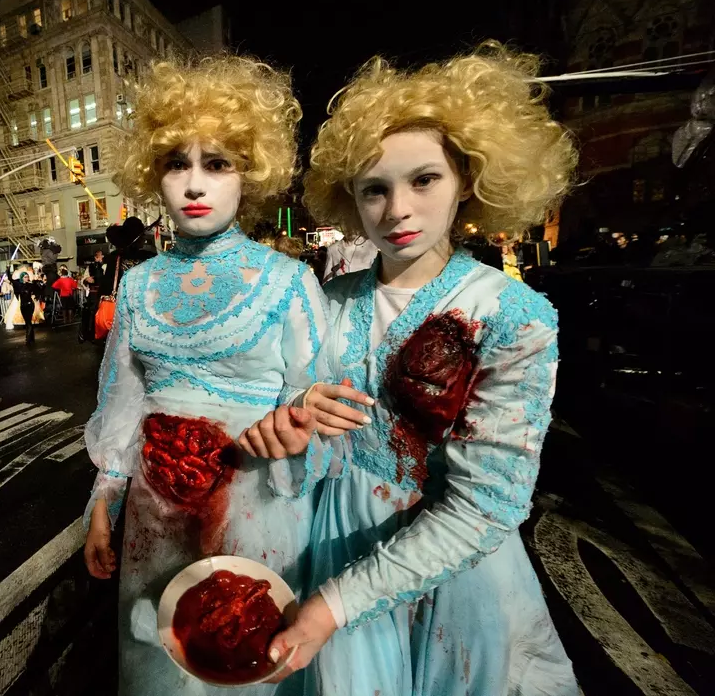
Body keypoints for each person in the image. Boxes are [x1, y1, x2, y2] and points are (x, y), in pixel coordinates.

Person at [265, 44, 580, 695]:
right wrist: (289, 428)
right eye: (374, 188)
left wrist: (334, 605)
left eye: (423, 179)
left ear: (466, 177)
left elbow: (485, 506)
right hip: (330, 545)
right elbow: (301, 453)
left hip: (450, 585)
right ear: (349, 196)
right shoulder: (327, 300)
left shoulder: (510, 315)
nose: (398, 209)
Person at [80, 56, 365, 696]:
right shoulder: (140, 285)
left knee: (245, 666)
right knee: (160, 655)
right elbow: (123, 403)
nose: (193, 183)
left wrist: (297, 426)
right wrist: (105, 502)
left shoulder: (288, 280)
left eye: (217, 164)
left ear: (250, 176)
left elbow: (315, 398)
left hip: (256, 503)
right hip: (156, 512)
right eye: (176, 163)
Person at [8, 265, 40, 344]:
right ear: (22, 277)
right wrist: (8, 269)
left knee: (28, 322)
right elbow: (10, 279)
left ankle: (28, 339)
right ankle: (31, 338)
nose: (26, 278)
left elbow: (38, 289)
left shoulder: (30, 285)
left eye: (27, 277)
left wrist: (37, 281)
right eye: (25, 277)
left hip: (29, 305)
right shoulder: (18, 284)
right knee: (27, 322)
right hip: (23, 305)